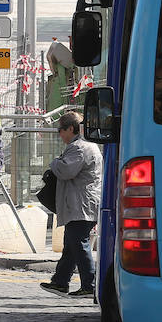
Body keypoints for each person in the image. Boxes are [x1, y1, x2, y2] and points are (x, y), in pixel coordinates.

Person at [40, 110, 103, 298]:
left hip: (80, 205)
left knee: (79, 244)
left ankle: (89, 285)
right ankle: (60, 282)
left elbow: (66, 170)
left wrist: (54, 163)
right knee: (71, 245)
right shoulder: (84, 146)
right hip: (81, 204)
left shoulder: (79, 148)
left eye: (61, 130)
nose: (60, 134)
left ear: (70, 128)